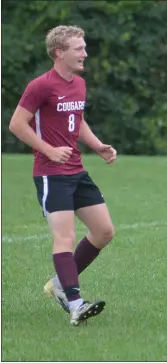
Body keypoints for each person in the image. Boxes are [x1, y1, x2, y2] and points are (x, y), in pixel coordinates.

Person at [8, 25, 117, 326]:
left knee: (104, 231)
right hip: (50, 173)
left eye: (83, 47)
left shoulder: (79, 84)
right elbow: (17, 124)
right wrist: (48, 150)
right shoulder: (40, 85)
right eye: (78, 48)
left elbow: (76, 120)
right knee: (64, 237)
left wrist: (97, 146)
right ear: (59, 53)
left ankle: (59, 284)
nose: (85, 53)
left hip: (76, 170)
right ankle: (75, 303)